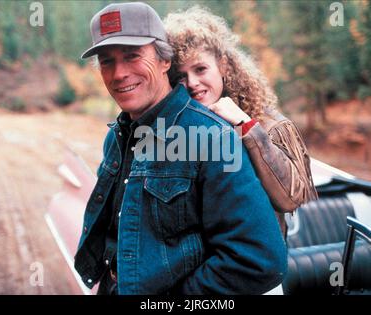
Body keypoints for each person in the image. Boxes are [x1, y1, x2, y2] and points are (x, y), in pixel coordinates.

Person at [74, 2, 287, 295]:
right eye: (107, 61)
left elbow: (259, 260)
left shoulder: (210, 138)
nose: (119, 73)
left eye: (132, 55)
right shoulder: (117, 136)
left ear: (164, 60)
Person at [163, 7, 318, 235]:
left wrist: (248, 128)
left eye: (200, 69)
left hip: (255, 260)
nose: (193, 82)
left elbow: (291, 198)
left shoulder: (266, 123)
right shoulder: (175, 127)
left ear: (223, 65)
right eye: (181, 76)